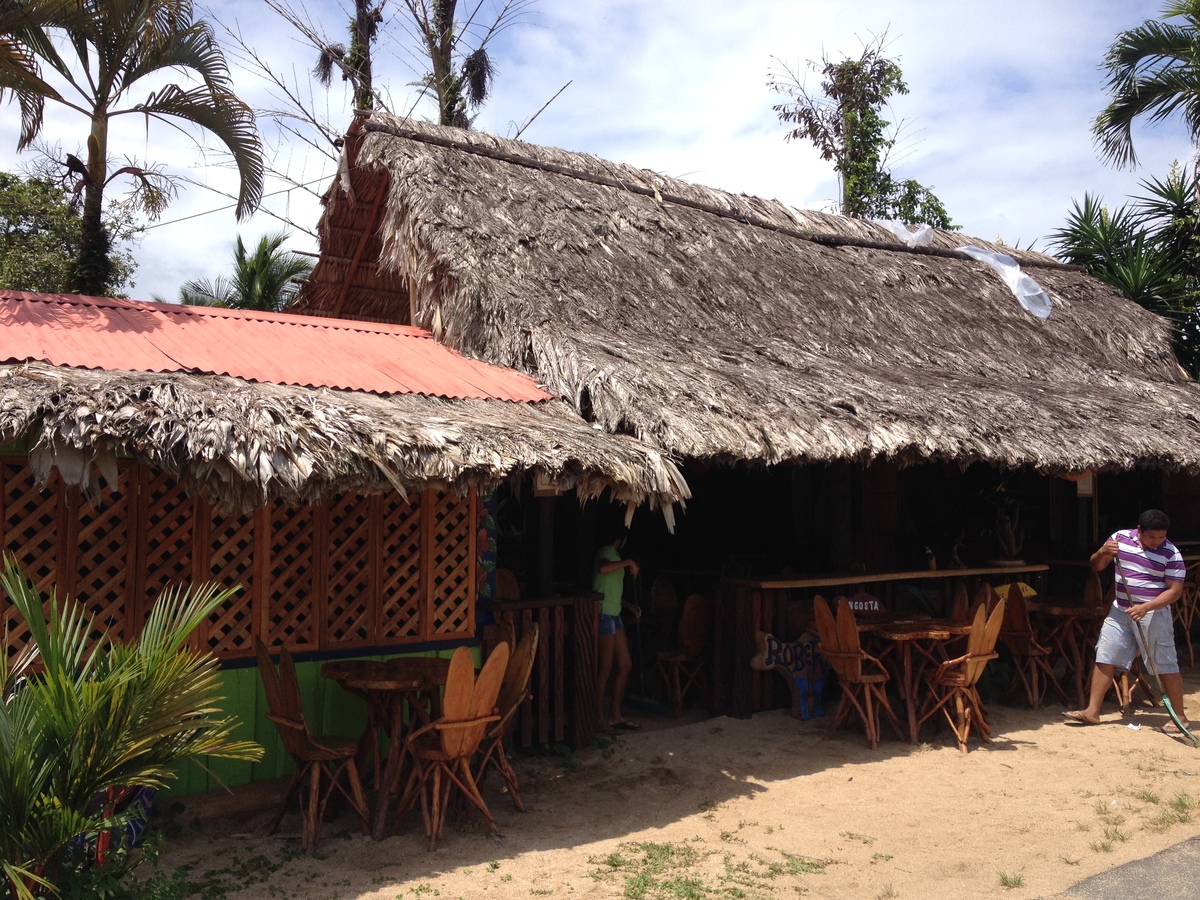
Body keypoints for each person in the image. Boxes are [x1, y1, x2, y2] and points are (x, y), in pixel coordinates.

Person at [1064, 509, 1188, 732]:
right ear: (1139, 530)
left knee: (1165, 663)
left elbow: (1175, 591)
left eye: (1162, 537)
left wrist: (1147, 607)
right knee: (1105, 654)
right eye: (1152, 537)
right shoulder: (1119, 539)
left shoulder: (1171, 554)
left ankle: (1180, 718)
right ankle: (1092, 712)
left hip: (1154, 613)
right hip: (1121, 610)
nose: (1157, 542)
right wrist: (1102, 552)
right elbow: (1096, 566)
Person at [593, 528, 641, 732]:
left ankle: (614, 714)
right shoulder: (605, 551)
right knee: (605, 669)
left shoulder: (616, 556)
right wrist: (629, 562)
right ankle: (597, 718)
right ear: (622, 539)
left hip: (615, 614)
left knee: (625, 664)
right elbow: (603, 569)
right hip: (604, 614)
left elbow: (610, 590)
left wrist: (630, 607)